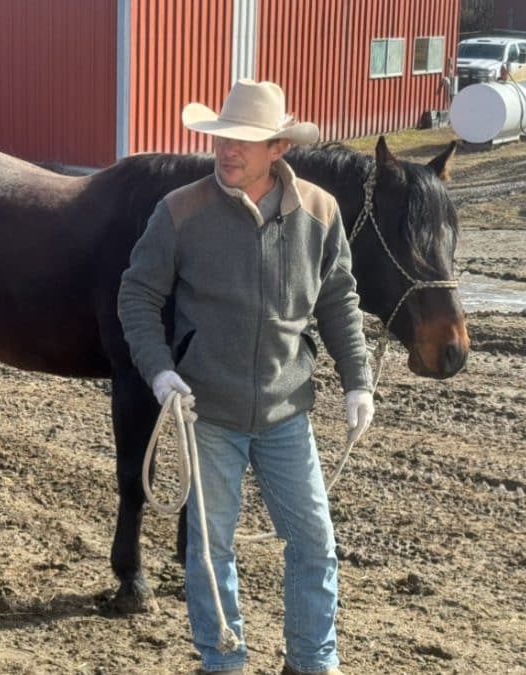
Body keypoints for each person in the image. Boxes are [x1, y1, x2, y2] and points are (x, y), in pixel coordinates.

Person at [117, 79, 375, 675]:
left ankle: (312, 663)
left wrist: (358, 379)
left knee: (314, 544)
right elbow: (136, 294)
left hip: (288, 414)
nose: (227, 152)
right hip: (206, 414)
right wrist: (160, 373)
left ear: (278, 147)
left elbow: (338, 299)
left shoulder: (319, 211)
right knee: (211, 552)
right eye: (221, 140)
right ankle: (224, 662)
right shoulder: (180, 212)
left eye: (244, 142)